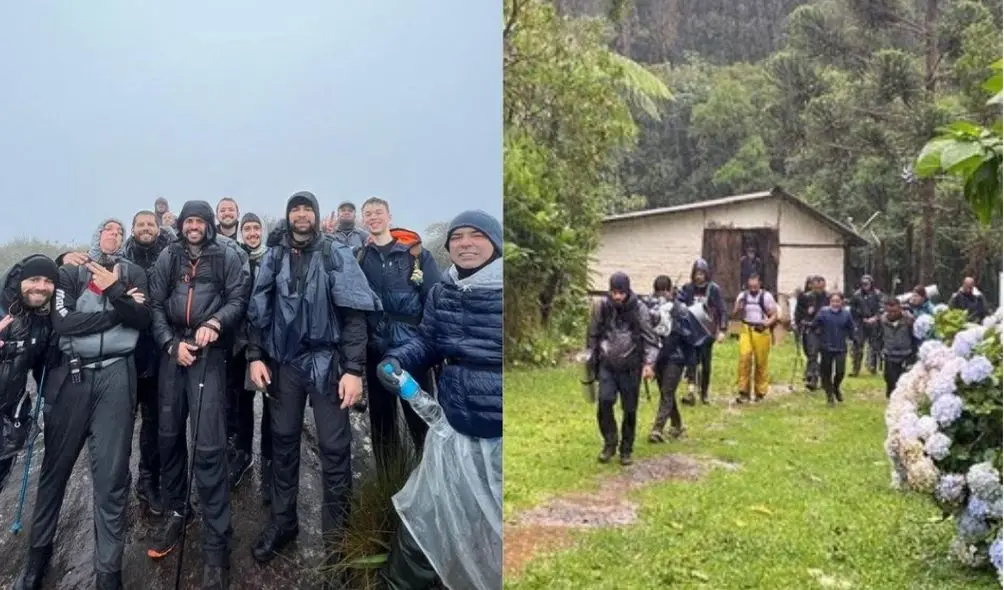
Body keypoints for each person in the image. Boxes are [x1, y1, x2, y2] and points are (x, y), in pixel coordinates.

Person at [245, 191, 378, 570]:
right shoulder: (273, 255)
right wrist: (255, 356)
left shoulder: (335, 252)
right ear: (288, 216)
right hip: (284, 364)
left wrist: (354, 370)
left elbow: (355, 315)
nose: (301, 215)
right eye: (295, 209)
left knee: (335, 449)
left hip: (327, 363)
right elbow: (259, 309)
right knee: (282, 444)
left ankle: (337, 538)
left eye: (307, 209)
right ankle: (284, 523)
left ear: (317, 216)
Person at [16, 219, 151, 590]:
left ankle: (109, 573)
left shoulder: (134, 270)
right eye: (108, 230)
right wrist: (115, 310)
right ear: (97, 235)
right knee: (54, 473)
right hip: (72, 377)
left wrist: (119, 290)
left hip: (117, 377)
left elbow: (143, 317)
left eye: (119, 232)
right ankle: (36, 560)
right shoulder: (70, 270)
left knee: (111, 480)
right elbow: (63, 322)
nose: (114, 235)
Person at [376, 210, 503, 590]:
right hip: (455, 428)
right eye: (457, 237)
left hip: (501, 437)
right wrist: (398, 360)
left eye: (476, 235)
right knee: (431, 509)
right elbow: (429, 341)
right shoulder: (443, 291)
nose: (466, 243)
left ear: (495, 243)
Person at [145, 200, 250, 589]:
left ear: (208, 225)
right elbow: (155, 305)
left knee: (208, 446)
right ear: (182, 224)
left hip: (209, 355)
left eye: (199, 221)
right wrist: (171, 344)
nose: (193, 226)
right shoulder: (168, 257)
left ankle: (216, 539)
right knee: (169, 438)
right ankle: (176, 512)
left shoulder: (226, 256)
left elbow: (238, 299)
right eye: (188, 220)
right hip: (174, 353)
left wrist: (215, 323)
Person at [357, 197, 442, 467]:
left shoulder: (415, 254)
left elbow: (435, 299)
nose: (373, 218)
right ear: (363, 219)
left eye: (378, 213)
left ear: (389, 216)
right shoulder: (361, 257)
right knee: (382, 424)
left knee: (419, 417)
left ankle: (432, 480)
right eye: (368, 214)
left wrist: (433, 345)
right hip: (376, 348)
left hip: (411, 349)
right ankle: (390, 484)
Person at [122, 210, 176, 516]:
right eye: (140, 224)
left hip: (158, 350)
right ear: (133, 228)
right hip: (126, 353)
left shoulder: (169, 255)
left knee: (154, 421)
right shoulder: (119, 258)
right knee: (122, 422)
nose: (145, 228)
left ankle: (148, 478)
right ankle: (119, 478)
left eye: (150, 225)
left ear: (158, 228)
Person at [587, 272, 658, 465]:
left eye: (621, 293)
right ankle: (610, 442)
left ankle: (626, 448)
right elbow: (592, 335)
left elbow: (651, 340)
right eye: (614, 292)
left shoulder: (639, 309)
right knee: (604, 402)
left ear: (628, 291)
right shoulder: (602, 307)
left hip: (630, 367)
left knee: (629, 409)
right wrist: (590, 359)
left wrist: (649, 364)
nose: (617, 297)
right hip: (607, 364)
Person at [0, 255, 57, 493]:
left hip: (9, 420)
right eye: (34, 279)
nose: (41, 286)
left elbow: (41, 367)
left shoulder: (41, 319)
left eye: (47, 281)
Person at [227, 212, 273, 497]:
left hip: (267, 341)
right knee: (240, 402)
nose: (253, 233)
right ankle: (243, 454)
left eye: (257, 228)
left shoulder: (273, 257)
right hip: (240, 341)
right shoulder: (235, 257)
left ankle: (269, 460)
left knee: (270, 401)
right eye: (248, 228)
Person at [647, 278, 705, 443]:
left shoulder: (680, 310)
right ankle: (677, 424)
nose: (661, 295)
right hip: (659, 356)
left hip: (676, 357)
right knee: (667, 393)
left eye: (663, 291)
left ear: (670, 290)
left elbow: (689, 339)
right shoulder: (653, 308)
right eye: (658, 291)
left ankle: (657, 429)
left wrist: (691, 369)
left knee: (667, 391)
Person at [676, 258, 727, 405]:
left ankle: (704, 393)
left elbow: (722, 310)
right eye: (697, 273)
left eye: (702, 273)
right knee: (691, 362)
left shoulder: (713, 289)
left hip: (707, 332)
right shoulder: (687, 288)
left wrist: (722, 329)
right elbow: (680, 305)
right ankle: (691, 391)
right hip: (692, 332)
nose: (699, 276)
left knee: (706, 363)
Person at [732, 273, 778, 404]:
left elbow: (774, 314)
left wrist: (767, 324)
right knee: (744, 358)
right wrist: (738, 308)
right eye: (750, 286)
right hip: (746, 328)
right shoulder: (742, 296)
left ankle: (760, 392)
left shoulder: (766, 296)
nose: (752, 288)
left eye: (755, 286)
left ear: (760, 284)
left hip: (761, 329)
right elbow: (734, 314)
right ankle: (743, 391)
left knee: (760, 361)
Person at [814, 292, 855, 406]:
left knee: (840, 371)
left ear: (842, 302)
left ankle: (836, 387)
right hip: (826, 347)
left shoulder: (846, 314)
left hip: (840, 347)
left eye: (838, 301)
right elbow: (815, 325)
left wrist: (853, 340)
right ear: (830, 302)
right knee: (826, 373)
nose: (835, 304)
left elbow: (851, 329)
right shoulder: (823, 312)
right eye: (833, 301)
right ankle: (829, 395)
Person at [794, 275, 828, 391]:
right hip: (810, 329)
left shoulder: (829, 298)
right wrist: (798, 324)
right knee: (811, 354)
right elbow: (799, 313)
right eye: (816, 287)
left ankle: (817, 378)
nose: (819, 290)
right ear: (812, 286)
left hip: (825, 330)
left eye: (821, 287)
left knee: (825, 356)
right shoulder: (805, 297)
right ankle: (812, 376)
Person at [880, 298, 916, 398]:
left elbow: (914, 337)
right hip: (889, 353)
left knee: (902, 380)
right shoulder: (883, 320)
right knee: (889, 378)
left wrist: (913, 354)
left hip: (905, 354)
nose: (892, 314)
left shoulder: (909, 320)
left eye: (894, 311)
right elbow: (879, 335)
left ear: (900, 308)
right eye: (889, 311)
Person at [849, 274, 884, 377]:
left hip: (874, 322)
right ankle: (856, 369)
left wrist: (875, 318)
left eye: (867, 284)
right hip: (861, 323)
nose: (865, 286)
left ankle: (873, 367)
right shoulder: (856, 295)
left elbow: (881, 308)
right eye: (863, 284)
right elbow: (852, 309)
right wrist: (860, 318)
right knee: (857, 346)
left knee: (874, 346)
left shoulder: (877, 294)